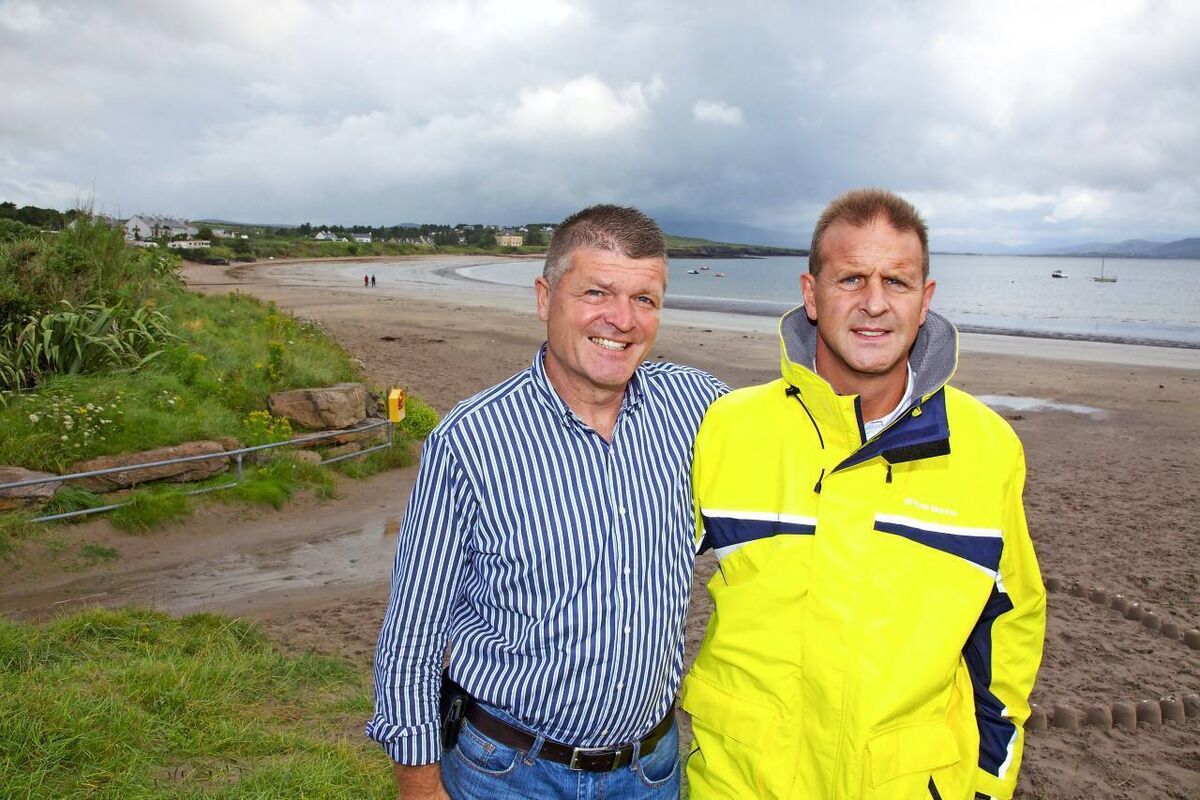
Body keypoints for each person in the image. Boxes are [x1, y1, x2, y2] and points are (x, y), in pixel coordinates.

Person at [682, 188, 1045, 800]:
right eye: (851, 278)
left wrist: (987, 783)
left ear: (925, 300)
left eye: (896, 282)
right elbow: (631, 581)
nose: (874, 304)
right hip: (739, 783)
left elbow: (1008, 626)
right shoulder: (728, 428)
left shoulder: (988, 447)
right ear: (811, 294)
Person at [367, 204, 727, 799]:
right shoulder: (471, 439)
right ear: (544, 297)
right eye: (597, 292)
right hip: (508, 772)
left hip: (651, 771)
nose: (621, 319)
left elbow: (796, 430)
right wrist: (419, 784)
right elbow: (414, 632)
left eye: (645, 299)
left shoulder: (697, 409)